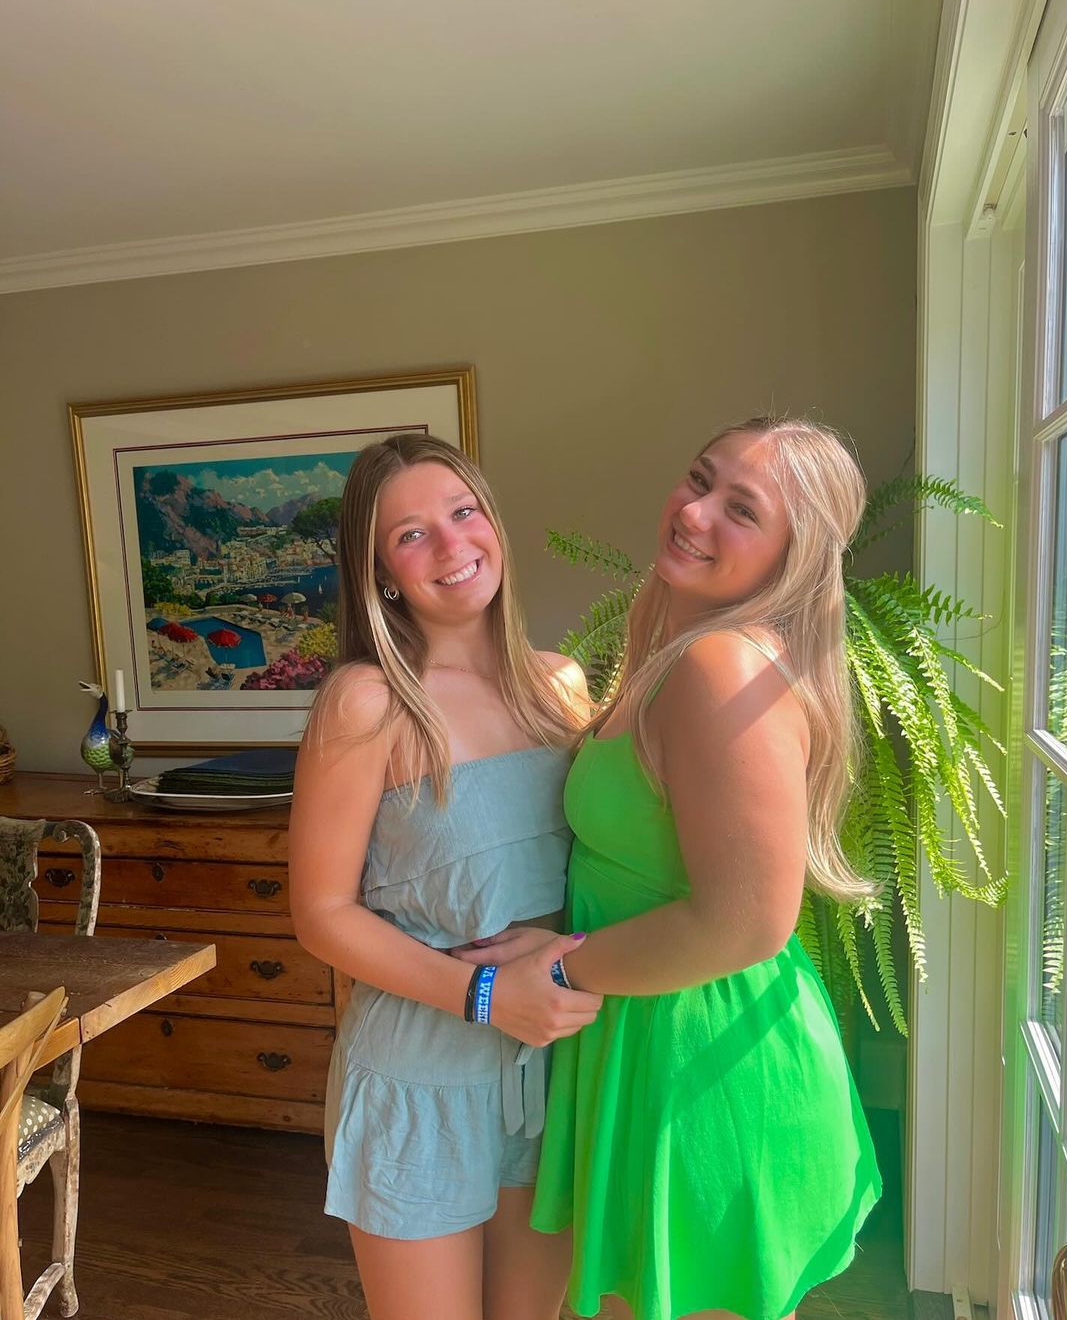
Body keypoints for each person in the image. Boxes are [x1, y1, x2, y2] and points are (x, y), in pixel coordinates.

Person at [454, 416, 883, 1320]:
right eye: (699, 478)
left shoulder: (721, 666)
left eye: (742, 509)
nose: (694, 512)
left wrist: (554, 969)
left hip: (700, 1069)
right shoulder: (674, 649)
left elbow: (745, 923)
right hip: (651, 1037)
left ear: (794, 556)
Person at [288, 433, 600, 1320]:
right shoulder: (368, 701)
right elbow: (320, 913)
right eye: (411, 534)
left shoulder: (563, 687)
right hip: (418, 1078)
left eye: (463, 513)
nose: (451, 544)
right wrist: (487, 995)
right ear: (381, 573)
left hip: (557, 1066)